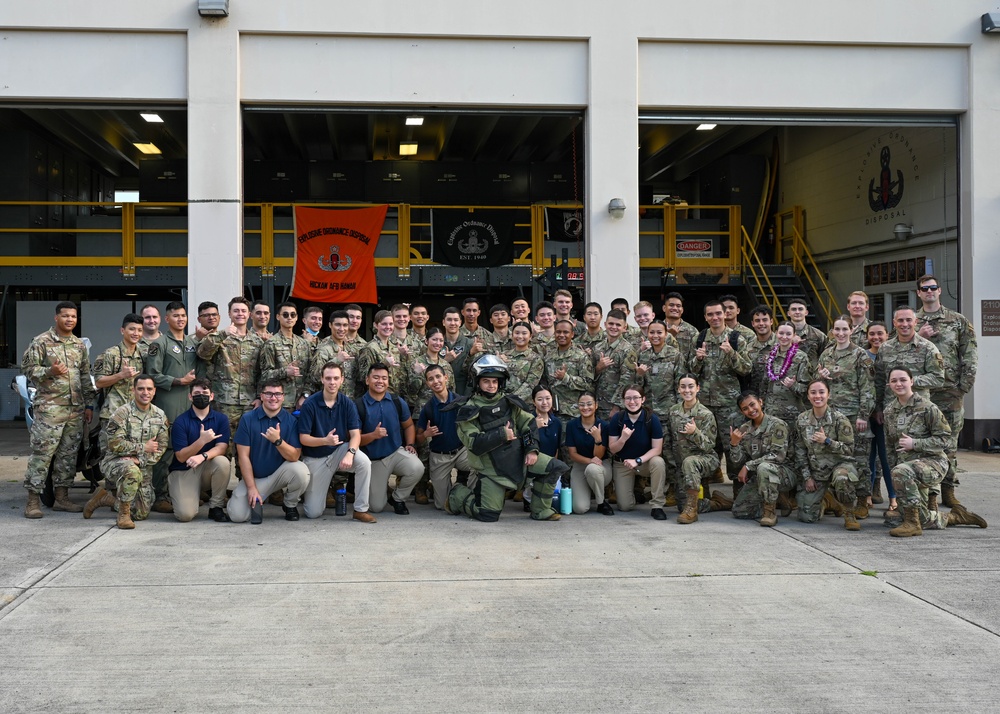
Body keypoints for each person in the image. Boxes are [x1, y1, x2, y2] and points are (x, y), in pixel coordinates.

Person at [445, 355, 568, 522]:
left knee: (555, 467)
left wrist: (532, 449)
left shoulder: (509, 402)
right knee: (488, 515)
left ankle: (541, 509)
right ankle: (457, 494)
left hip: (518, 459)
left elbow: (529, 424)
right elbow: (474, 443)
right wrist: (502, 435)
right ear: (477, 382)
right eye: (486, 381)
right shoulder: (469, 409)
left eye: (495, 381)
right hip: (492, 469)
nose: (491, 385)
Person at [882, 367, 986, 536]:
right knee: (899, 517)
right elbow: (890, 446)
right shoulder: (889, 412)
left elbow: (945, 439)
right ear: (889, 384)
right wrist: (895, 472)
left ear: (912, 381)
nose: (898, 384)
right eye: (894, 381)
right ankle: (956, 517)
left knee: (902, 477)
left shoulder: (927, 408)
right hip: (907, 470)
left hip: (933, 464)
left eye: (903, 380)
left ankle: (912, 524)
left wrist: (915, 443)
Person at [21, 301, 97, 518]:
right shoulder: (41, 341)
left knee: (68, 455)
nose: (70, 320)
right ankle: (33, 501)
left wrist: (89, 404)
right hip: (50, 409)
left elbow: (84, 375)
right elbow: (28, 369)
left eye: (73, 316)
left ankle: (62, 498)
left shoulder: (79, 345)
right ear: (56, 318)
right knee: (42, 454)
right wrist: (49, 371)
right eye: (65, 316)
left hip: (75, 409)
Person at [915, 273, 978, 509]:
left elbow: (969, 355)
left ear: (939, 291)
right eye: (925, 288)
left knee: (949, 445)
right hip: (922, 393)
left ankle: (948, 491)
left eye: (933, 288)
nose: (929, 291)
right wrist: (917, 336)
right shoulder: (911, 321)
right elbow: (897, 349)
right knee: (924, 443)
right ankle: (930, 495)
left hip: (950, 392)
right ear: (919, 293)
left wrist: (963, 387)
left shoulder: (958, 320)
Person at [84, 375, 168, 529]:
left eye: (149, 389)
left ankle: (104, 499)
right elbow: (115, 444)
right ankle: (123, 515)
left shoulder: (159, 416)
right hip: (115, 461)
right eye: (141, 388)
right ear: (133, 390)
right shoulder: (121, 413)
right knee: (131, 470)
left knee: (141, 513)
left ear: (154, 391)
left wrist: (140, 460)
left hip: (143, 465)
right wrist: (143, 448)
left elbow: (161, 447)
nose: (145, 392)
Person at [298, 362, 375, 522]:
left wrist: (351, 453)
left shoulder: (347, 403)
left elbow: (355, 435)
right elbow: (303, 438)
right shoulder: (310, 404)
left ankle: (360, 509)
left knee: (364, 462)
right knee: (313, 512)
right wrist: (324, 440)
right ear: (322, 380)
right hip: (316, 458)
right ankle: (316, 492)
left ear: (342, 380)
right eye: (328, 378)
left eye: (335, 378)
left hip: (339, 452)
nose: (332, 382)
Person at [197, 296, 264, 473]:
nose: (240, 314)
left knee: (248, 448)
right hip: (223, 403)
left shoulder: (258, 341)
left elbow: (261, 373)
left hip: (250, 404)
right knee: (222, 448)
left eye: (243, 311)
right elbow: (202, 354)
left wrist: (259, 397)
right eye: (236, 310)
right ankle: (218, 492)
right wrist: (222, 334)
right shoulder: (219, 337)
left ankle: (243, 488)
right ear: (229, 314)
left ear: (249, 314)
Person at [227, 380, 310, 524]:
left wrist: (278, 441)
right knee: (237, 516)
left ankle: (290, 505)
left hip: (279, 476)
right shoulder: (247, 419)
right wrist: (251, 488)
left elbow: (295, 456)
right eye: (269, 394)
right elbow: (243, 457)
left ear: (283, 397)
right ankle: (254, 497)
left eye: (278, 394)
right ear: (262, 396)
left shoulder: (291, 421)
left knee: (301, 471)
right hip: (256, 479)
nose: (273, 398)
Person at [690, 299, 752, 488]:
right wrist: (698, 359)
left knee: (732, 446)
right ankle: (704, 493)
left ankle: (738, 492)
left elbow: (747, 369)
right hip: (705, 405)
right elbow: (691, 372)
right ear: (705, 317)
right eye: (710, 314)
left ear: (725, 314)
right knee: (706, 446)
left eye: (718, 313)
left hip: (729, 405)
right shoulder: (699, 338)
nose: (715, 317)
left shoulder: (736, 338)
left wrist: (732, 354)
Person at [818, 316, 876, 517]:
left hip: (853, 416)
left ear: (852, 331)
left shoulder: (861, 355)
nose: (840, 333)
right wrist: (821, 377)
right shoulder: (826, 354)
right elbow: (818, 386)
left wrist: (863, 415)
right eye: (837, 329)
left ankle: (862, 501)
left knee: (859, 459)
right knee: (834, 456)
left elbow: (868, 388)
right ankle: (838, 500)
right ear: (832, 331)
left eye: (845, 329)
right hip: (831, 416)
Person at [146, 300, 201, 512]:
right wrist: (179, 381)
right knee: (166, 449)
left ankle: (187, 490)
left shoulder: (192, 343)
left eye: (183, 316)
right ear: (167, 319)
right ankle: (160, 495)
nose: (180, 319)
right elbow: (152, 376)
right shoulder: (159, 344)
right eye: (176, 316)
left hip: (190, 404)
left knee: (190, 444)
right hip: (168, 403)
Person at [793, 379, 862, 530]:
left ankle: (849, 513)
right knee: (807, 517)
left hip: (839, 466)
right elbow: (799, 450)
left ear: (828, 395)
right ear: (808, 396)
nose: (818, 396)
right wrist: (807, 477)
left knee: (842, 478)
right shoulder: (802, 419)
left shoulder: (840, 419)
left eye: (821, 392)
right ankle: (829, 500)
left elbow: (849, 450)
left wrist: (827, 441)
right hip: (817, 471)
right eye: (813, 392)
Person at [356, 363, 424, 514]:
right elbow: (356, 440)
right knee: (376, 507)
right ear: (367, 380)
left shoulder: (397, 401)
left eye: (384, 378)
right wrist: (373, 435)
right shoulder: (359, 405)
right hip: (374, 460)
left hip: (395, 452)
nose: (380, 381)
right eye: (376, 377)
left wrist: (411, 444)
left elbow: (408, 426)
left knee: (417, 468)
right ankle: (381, 489)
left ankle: (398, 498)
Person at [165, 379, 231, 522]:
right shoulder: (181, 421)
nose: (201, 396)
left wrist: (202, 456)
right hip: (184, 470)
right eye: (196, 393)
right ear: (190, 397)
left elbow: (222, 447)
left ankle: (216, 507)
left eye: (205, 393)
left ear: (212, 396)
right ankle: (185, 491)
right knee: (185, 515)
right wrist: (201, 441)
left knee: (223, 462)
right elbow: (181, 457)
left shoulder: (221, 419)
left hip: (207, 467)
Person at [663, 374, 726, 524]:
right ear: (678, 389)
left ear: (698, 388)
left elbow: (710, 445)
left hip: (705, 460)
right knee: (680, 505)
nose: (687, 390)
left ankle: (692, 511)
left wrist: (695, 432)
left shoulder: (706, 414)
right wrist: (673, 465)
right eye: (683, 387)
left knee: (690, 462)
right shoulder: (673, 411)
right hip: (682, 464)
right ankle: (718, 502)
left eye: (691, 386)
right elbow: (668, 441)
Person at [729, 390, 797, 525]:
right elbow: (737, 461)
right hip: (762, 476)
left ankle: (770, 512)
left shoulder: (777, 425)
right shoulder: (744, 429)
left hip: (784, 473)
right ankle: (776, 499)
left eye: (752, 404)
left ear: (760, 402)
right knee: (740, 511)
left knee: (764, 467)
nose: (750, 410)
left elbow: (778, 456)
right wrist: (734, 444)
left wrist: (748, 466)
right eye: (745, 408)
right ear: (742, 412)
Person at [416, 364, 472, 510]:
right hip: (440, 456)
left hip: (461, 452)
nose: (435, 381)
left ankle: (466, 492)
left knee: (481, 466)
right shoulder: (428, 408)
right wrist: (426, 434)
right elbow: (418, 438)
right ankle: (450, 490)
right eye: (431, 379)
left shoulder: (461, 401)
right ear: (428, 384)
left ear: (446, 378)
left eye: (438, 376)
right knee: (442, 505)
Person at [607, 384, 667, 517]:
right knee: (624, 506)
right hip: (623, 464)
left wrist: (637, 460)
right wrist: (623, 439)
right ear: (623, 400)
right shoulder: (618, 419)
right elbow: (612, 449)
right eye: (628, 398)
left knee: (658, 462)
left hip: (644, 462)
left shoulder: (651, 419)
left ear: (643, 399)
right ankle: (635, 494)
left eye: (636, 398)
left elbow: (657, 449)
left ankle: (657, 505)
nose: (632, 402)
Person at [257, 301, 313, 411]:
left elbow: (311, 374)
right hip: (280, 404)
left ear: (297, 318)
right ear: (278, 317)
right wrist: (285, 372)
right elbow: (264, 375)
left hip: (303, 404)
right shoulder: (271, 344)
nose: (289, 318)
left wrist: (305, 395)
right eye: (285, 315)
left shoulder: (304, 344)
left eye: (293, 315)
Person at [752, 322, 810, 427]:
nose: (784, 337)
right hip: (771, 412)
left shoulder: (801, 357)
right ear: (776, 333)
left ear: (794, 335)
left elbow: (806, 389)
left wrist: (793, 385)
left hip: (792, 413)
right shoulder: (770, 355)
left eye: (788, 334)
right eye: (781, 333)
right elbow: (764, 384)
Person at [865, 321, 897, 511]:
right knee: (868, 458)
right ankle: (867, 495)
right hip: (867, 413)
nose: (876, 338)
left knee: (887, 458)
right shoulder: (862, 355)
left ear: (887, 335)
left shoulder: (892, 354)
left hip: (888, 414)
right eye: (872, 334)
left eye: (880, 334)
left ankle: (893, 497)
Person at [565, 391, 613, 515]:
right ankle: (590, 492)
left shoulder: (604, 426)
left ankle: (601, 503)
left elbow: (599, 456)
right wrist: (589, 460)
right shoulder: (571, 425)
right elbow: (572, 454)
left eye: (589, 404)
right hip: (580, 465)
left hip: (600, 466)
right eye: (582, 404)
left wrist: (598, 439)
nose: (585, 408)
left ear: (596, 405)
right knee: (580, 508)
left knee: (592, 469)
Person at [93, 313, 146, 423]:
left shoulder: (143, 353)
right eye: (132, 329)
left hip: (136, 415)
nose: (136, 333)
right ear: (122, 330)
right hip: (113, 413)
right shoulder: (110, 354)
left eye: (140, 330)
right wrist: (121, 375)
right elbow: (99, 382)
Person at [357, 310, 411, 407]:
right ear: (376, 325)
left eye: (391, 324)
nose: (388, 327)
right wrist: (384, 364)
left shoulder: (394, 347)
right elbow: (364, 377)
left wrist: (404, 357)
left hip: (395, 398)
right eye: (384, 324)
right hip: (377, 400)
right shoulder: (369, 348)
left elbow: (400, 375)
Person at [542, 319, 594, 420]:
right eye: (558, 332)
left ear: (572, 334)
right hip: (553, 412)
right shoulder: (548, 357)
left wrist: (566, 378)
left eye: (565, 332)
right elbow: (545, 382)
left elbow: (588, 384)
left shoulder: (581, 356)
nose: (561, 335)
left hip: (573, 413)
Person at [522, 385, 563, 511]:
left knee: (554, 503)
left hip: (549, 467)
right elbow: (520, 444)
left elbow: (556, 450)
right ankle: (527, 495)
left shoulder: (556, 423)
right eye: (540, 399)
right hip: (531, 466)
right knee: (533, 503)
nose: (544, 403)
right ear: (533, 401)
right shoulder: (527, 420)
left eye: (548, 398)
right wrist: (534, 427)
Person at [593, 309, 637, 419]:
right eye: (611, 323)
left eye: (618, 325)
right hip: (597, 405)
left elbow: (627, 380)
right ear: (605, 324)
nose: (614, 327)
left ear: (624, 327)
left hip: (614, 408)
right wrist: (598, 369)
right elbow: (589, 376)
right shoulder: (597, 348)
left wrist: (617, 407)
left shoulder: (628, 350)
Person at [636, 319, 684, 421]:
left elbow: (680, 384)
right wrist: (639, 375)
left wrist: (680, 409)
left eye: (659, 332)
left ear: (666, 334)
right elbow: (637, 387)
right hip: (647, 410)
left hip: (669, 410)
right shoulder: (643, 356)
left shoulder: (675, 355)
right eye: (652, 332)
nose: (655, 336)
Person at [311, 309, 360, 399]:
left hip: (351, 402)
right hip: (331, 401)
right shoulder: (323, 349)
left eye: (345, 325)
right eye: (338, 325)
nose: (341, 329)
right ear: (330, 325)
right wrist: (336, 360)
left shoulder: (352, 348)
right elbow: (316, 377)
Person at [501, 321, 544, 403]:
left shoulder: (536, 359)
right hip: (501, 402)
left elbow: (530, 385)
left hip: (523, 405)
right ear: (512, 335)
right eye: (517, 333)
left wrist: (510, 400)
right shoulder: (503, 355)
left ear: (530, 336)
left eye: (524, 333)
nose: (520, 336)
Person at [786, 298, 828, 369]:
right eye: (793, 309)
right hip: (787, 376)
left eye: (800, 309)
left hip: (810, 377)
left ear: (806, 312)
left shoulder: (818, 335)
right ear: (788, 313)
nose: (797, 312)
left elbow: (826, 356)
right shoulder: (781, 335)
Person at [441, 307, 473, 395]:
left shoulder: (470, 343)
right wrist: (445, 361)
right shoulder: (437, 344)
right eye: (449, 320)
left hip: (464, 391)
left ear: (460, 322)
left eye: (456, 320)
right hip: (443, 391)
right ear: (443, 322)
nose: (452, 323)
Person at [662, 292, 698, 363]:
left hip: (684, 372)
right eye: (671, 305)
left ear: (682, 310)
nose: (675, 308)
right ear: (664, 308)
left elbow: (695, 358)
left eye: (678, 306)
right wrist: (669, 336)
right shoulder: (656, 329)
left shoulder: (692, 331)